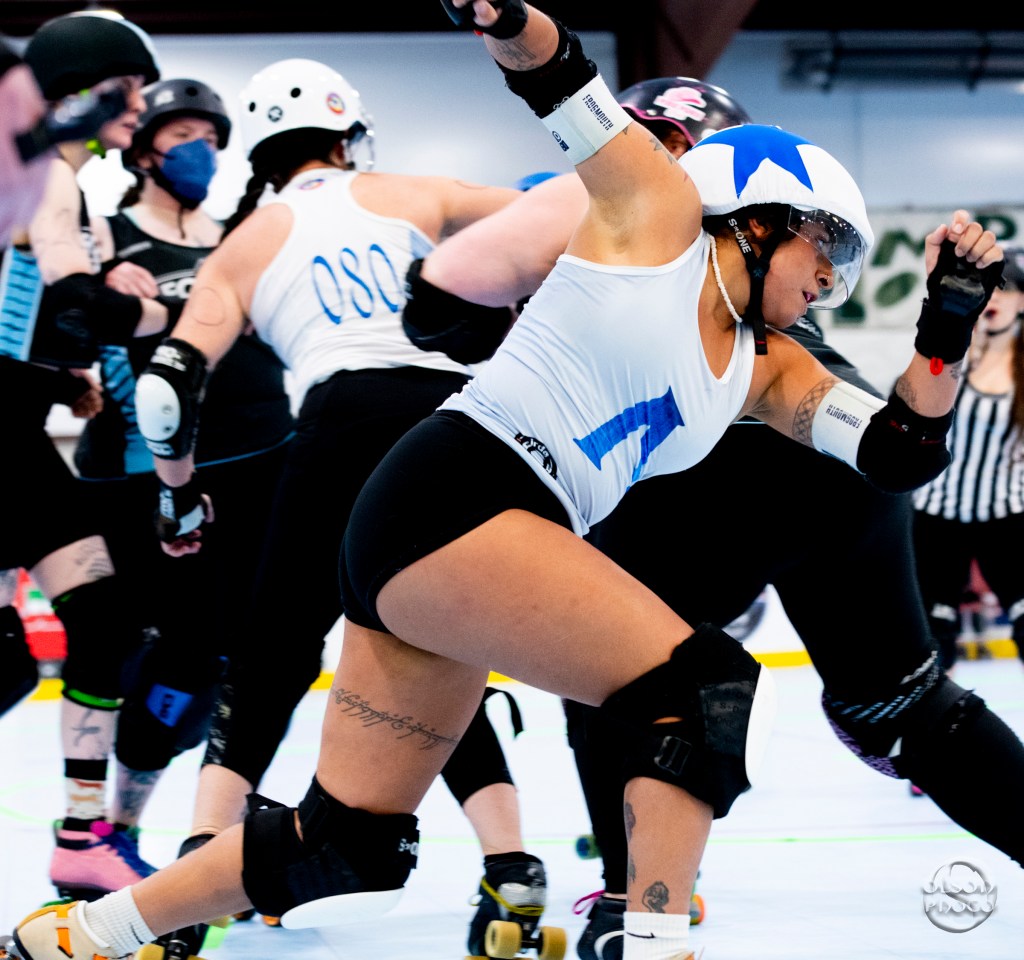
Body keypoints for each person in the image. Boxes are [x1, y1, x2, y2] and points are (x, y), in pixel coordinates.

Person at [3, 4, 1003, 960]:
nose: (831, 278)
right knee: (706, 692)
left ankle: (80, 936)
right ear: (756, 217)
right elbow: (564, 83)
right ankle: (657, 941)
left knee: (348, 842)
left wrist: (944, 332)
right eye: (825, 246)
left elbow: (898, 454)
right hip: (462, 495)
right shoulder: (655, 215)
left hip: (457, 532)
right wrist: (499, 10)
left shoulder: (767, 366)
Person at [409, 77, 1024, 960]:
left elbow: (435, 307)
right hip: (833, 453)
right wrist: (943, 331)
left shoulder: (616, 203)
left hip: (701, 467)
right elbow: (902, 453)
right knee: (904, 707)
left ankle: (631, 900)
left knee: (613, 676)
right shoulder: (756, 234)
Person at [93, 56, 548, 960]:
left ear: (258, 149)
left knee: (268, 660)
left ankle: (195, 881)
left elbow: (167, 390)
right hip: (459, 427)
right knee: (437, 654)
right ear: (348, 134)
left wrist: (179, 498)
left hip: (341, 425)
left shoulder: (246, 242)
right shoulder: (416, 191)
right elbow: (557, 217)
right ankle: (513, 871)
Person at [68, 74, 294, 883]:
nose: (200, 151)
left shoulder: (239, 234)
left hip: (261, 462)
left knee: (246, 660)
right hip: (147, 476)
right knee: (172, 660)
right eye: (181, 137)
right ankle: (114, 830)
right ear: (144, 152)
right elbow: (67, 327)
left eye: (209, 138)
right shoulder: (108, 235)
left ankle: (220, 827)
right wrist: (100, 290)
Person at [0, 9, 169, 902]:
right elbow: (74, 300)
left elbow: (40, 316)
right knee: (96, 626)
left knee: (74, 633)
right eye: (131, 88)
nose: (140, 106)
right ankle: (77, 838)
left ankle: (79, 836)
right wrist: (178, 312)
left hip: (13, 430)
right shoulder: (51, 177)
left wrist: (63, 380)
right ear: (82, 87)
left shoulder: (52, 184)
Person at [912, 244, 1024, 673]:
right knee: (933, 640)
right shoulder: (950, 348)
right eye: (990, 288)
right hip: (937, 515)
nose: (995, 297)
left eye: (1007, 289)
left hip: (1005, 517)